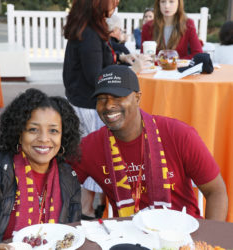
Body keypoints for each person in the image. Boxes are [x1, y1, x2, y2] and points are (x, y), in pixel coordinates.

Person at [72, 64, 228, 221]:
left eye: (117, 97)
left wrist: (210, 242)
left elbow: (216, 192)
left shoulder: (178, 134)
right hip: (127, 237)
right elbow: (59, 185)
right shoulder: (90, 147)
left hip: (182, 236)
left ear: (138, 98)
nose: (108, 106)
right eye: (101, 99)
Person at [62, 0, 147, 220]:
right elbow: (96, 77)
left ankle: (96, 205)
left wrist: (120, 57)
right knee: (93, 155)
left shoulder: (87, 27)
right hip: (88, 106)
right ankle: (87, 209)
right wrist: (132, 69)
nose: (116, 3)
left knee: (91, 152)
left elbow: (97, 61)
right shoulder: (89, 33)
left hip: (80, 100)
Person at [0, 88, 81, 250]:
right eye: (33, 129)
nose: (43, 138)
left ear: (62, 136)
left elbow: (71, 232)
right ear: (19, 133)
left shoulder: (68, 177)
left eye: (53, 130)